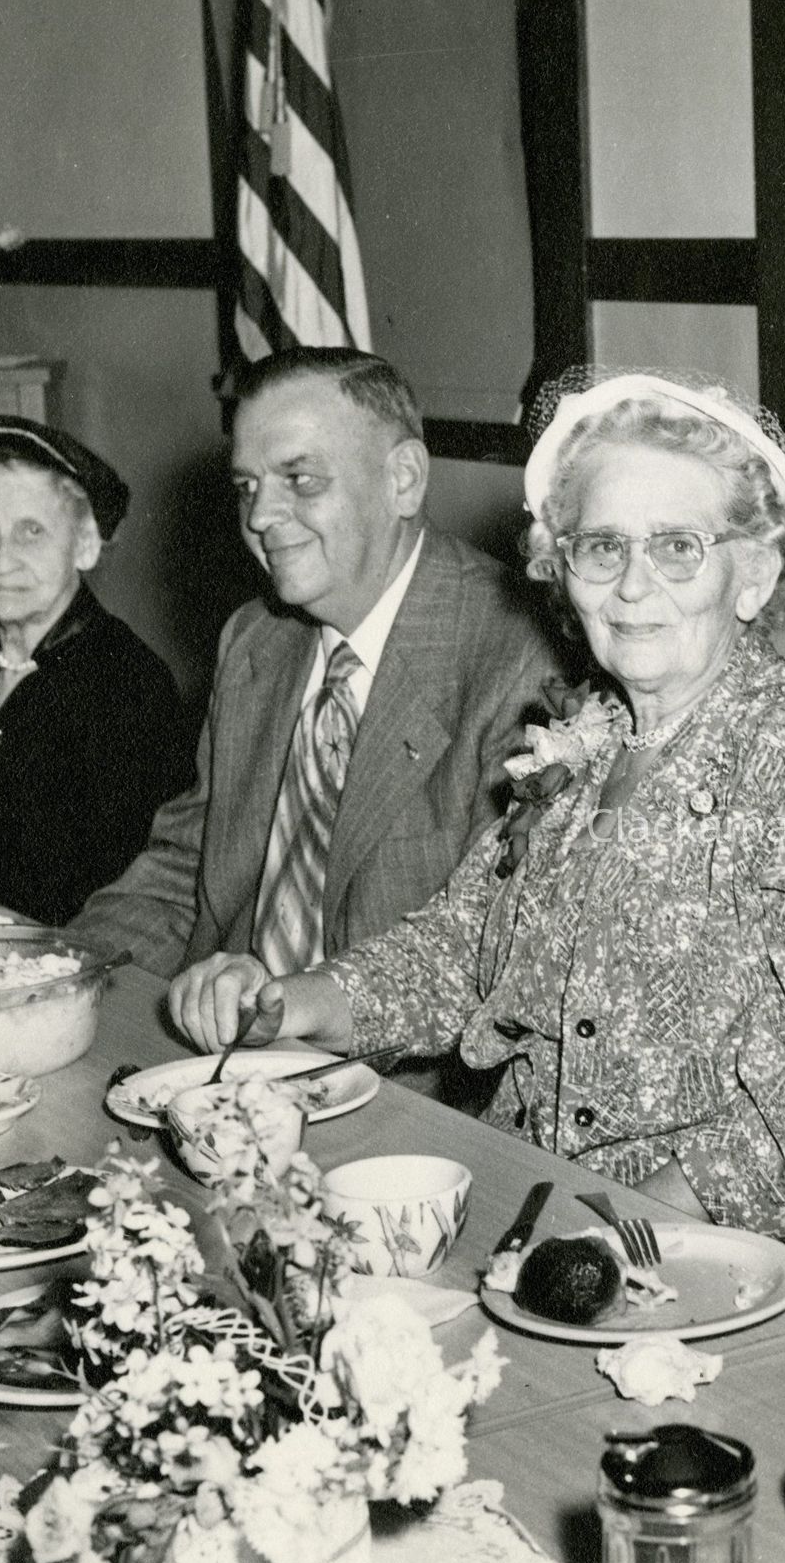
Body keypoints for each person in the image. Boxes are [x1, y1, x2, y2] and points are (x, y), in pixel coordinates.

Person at [165, 371, 785, 1241]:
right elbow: (460, 949)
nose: (632, 586)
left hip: (709, 1257)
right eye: (602, 546)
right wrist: (291, 1001)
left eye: (678, 546)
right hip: (530, 1201)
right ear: (561, 566)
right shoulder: (588, 739)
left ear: (754, 575)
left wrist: (593, 1236)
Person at [74, 349, 559, 1080]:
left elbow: (489, 954)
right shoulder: (255, 638)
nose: (260, 517)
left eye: (300, 480)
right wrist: (58, 973)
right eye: (247, 486)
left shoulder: (517, 657)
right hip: (212, 1057)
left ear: (403, 479)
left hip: (393, 1088)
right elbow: (185, 869)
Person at [0, 417, 189, 925]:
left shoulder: (127, 684)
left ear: (85, 545)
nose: (1, 560)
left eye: (31, 531)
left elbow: (130, 891)